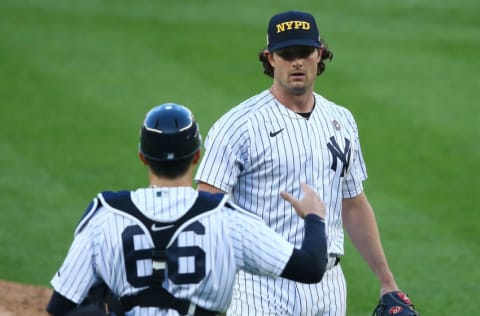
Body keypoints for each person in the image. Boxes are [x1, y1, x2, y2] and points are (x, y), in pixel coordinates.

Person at [195, 10, 402, 316]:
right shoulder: (238, 126)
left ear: (319, 53)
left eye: (304, 52)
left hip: (329, 285)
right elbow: (206, 208)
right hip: (261, 287)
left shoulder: (341, 120)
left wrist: (388, 281)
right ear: (270, 58)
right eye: (286, 53)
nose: (296, 62)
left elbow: (354, 205)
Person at [46, 103, 330, 316]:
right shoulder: (228, 220)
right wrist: (314, 217)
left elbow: (59, 306)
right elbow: (312, 267)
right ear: (196, 156)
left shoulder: (105, 214)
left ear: (143, 157)